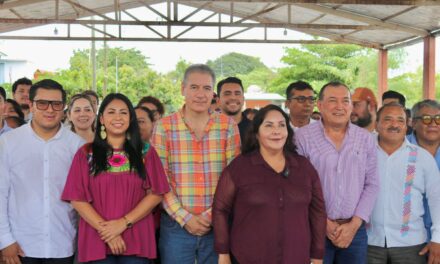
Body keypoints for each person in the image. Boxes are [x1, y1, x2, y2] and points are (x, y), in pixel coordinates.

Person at [61, 93, 170, 263]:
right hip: (97, 238)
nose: (117, 117)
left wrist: (123, 223)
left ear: (131, 119)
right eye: (111, 112)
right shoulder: (86, 153)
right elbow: (76, 198)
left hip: (137, 237)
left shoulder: (146, 152)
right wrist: (109, 233)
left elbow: (157, 193)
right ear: (102, 119)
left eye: (123, 112)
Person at [213, 104, 327, 264]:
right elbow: (220, 210)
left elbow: (318, 211)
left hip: (296, 256)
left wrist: (317, 254)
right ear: (257, 133)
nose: (276, 131)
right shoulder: (239, 168)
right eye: (269, 125)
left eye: (282, 125)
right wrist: (223, 253)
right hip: (249, 257)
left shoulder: (304, 168)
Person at [152, 64, 241, 264]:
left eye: (207, 88)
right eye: (194, 87)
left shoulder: (228, 126)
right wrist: (185, 218)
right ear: (183, 89)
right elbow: (160, 179)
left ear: (213, 94)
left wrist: (211, 215)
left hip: (217, 224)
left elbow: (234, 178)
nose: (200, 94)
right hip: (176, 226)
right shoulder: (164, 127)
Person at [0, 79, 84, 264]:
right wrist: (4, 240)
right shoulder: (9, 142)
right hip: (20, 245)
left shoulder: (77, 145)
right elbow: (1, 193)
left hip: (63, 243)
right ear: (31, 105)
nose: (50, 109)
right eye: (42, 103)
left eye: (56, 104)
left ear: (63, 107)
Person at [295, 81, 379, 264]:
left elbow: (372, 184)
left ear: (350, 106)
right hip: (314, 228)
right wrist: (324, 223)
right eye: (333, 100)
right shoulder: (302, 137)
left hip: (354, 231)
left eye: (345, 101)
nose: (340, 106)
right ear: (320, 105)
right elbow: (298, 187)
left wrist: (354, 225)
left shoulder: (365, 138)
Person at [367, 102, 440, 264]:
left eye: (400, 120)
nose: (394, 125)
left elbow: (437, 200)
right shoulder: (363, 152)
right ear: (376, 124)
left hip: (411, 245)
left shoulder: (423, 157)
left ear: (407, 126)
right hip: (369, 243)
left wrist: (438, 238)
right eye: (387, 119)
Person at [407, 99, 440, 242]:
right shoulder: (399, 147)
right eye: (426, 119)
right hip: (407, 238)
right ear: (413, 123)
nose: (433, 123)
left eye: (438, 119)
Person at [217, 77, 251, 142]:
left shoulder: (255, 129)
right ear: (218, 101)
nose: (233, 97)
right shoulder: (208, 128)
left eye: (237, 93)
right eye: (227, 94)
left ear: (243, 99)